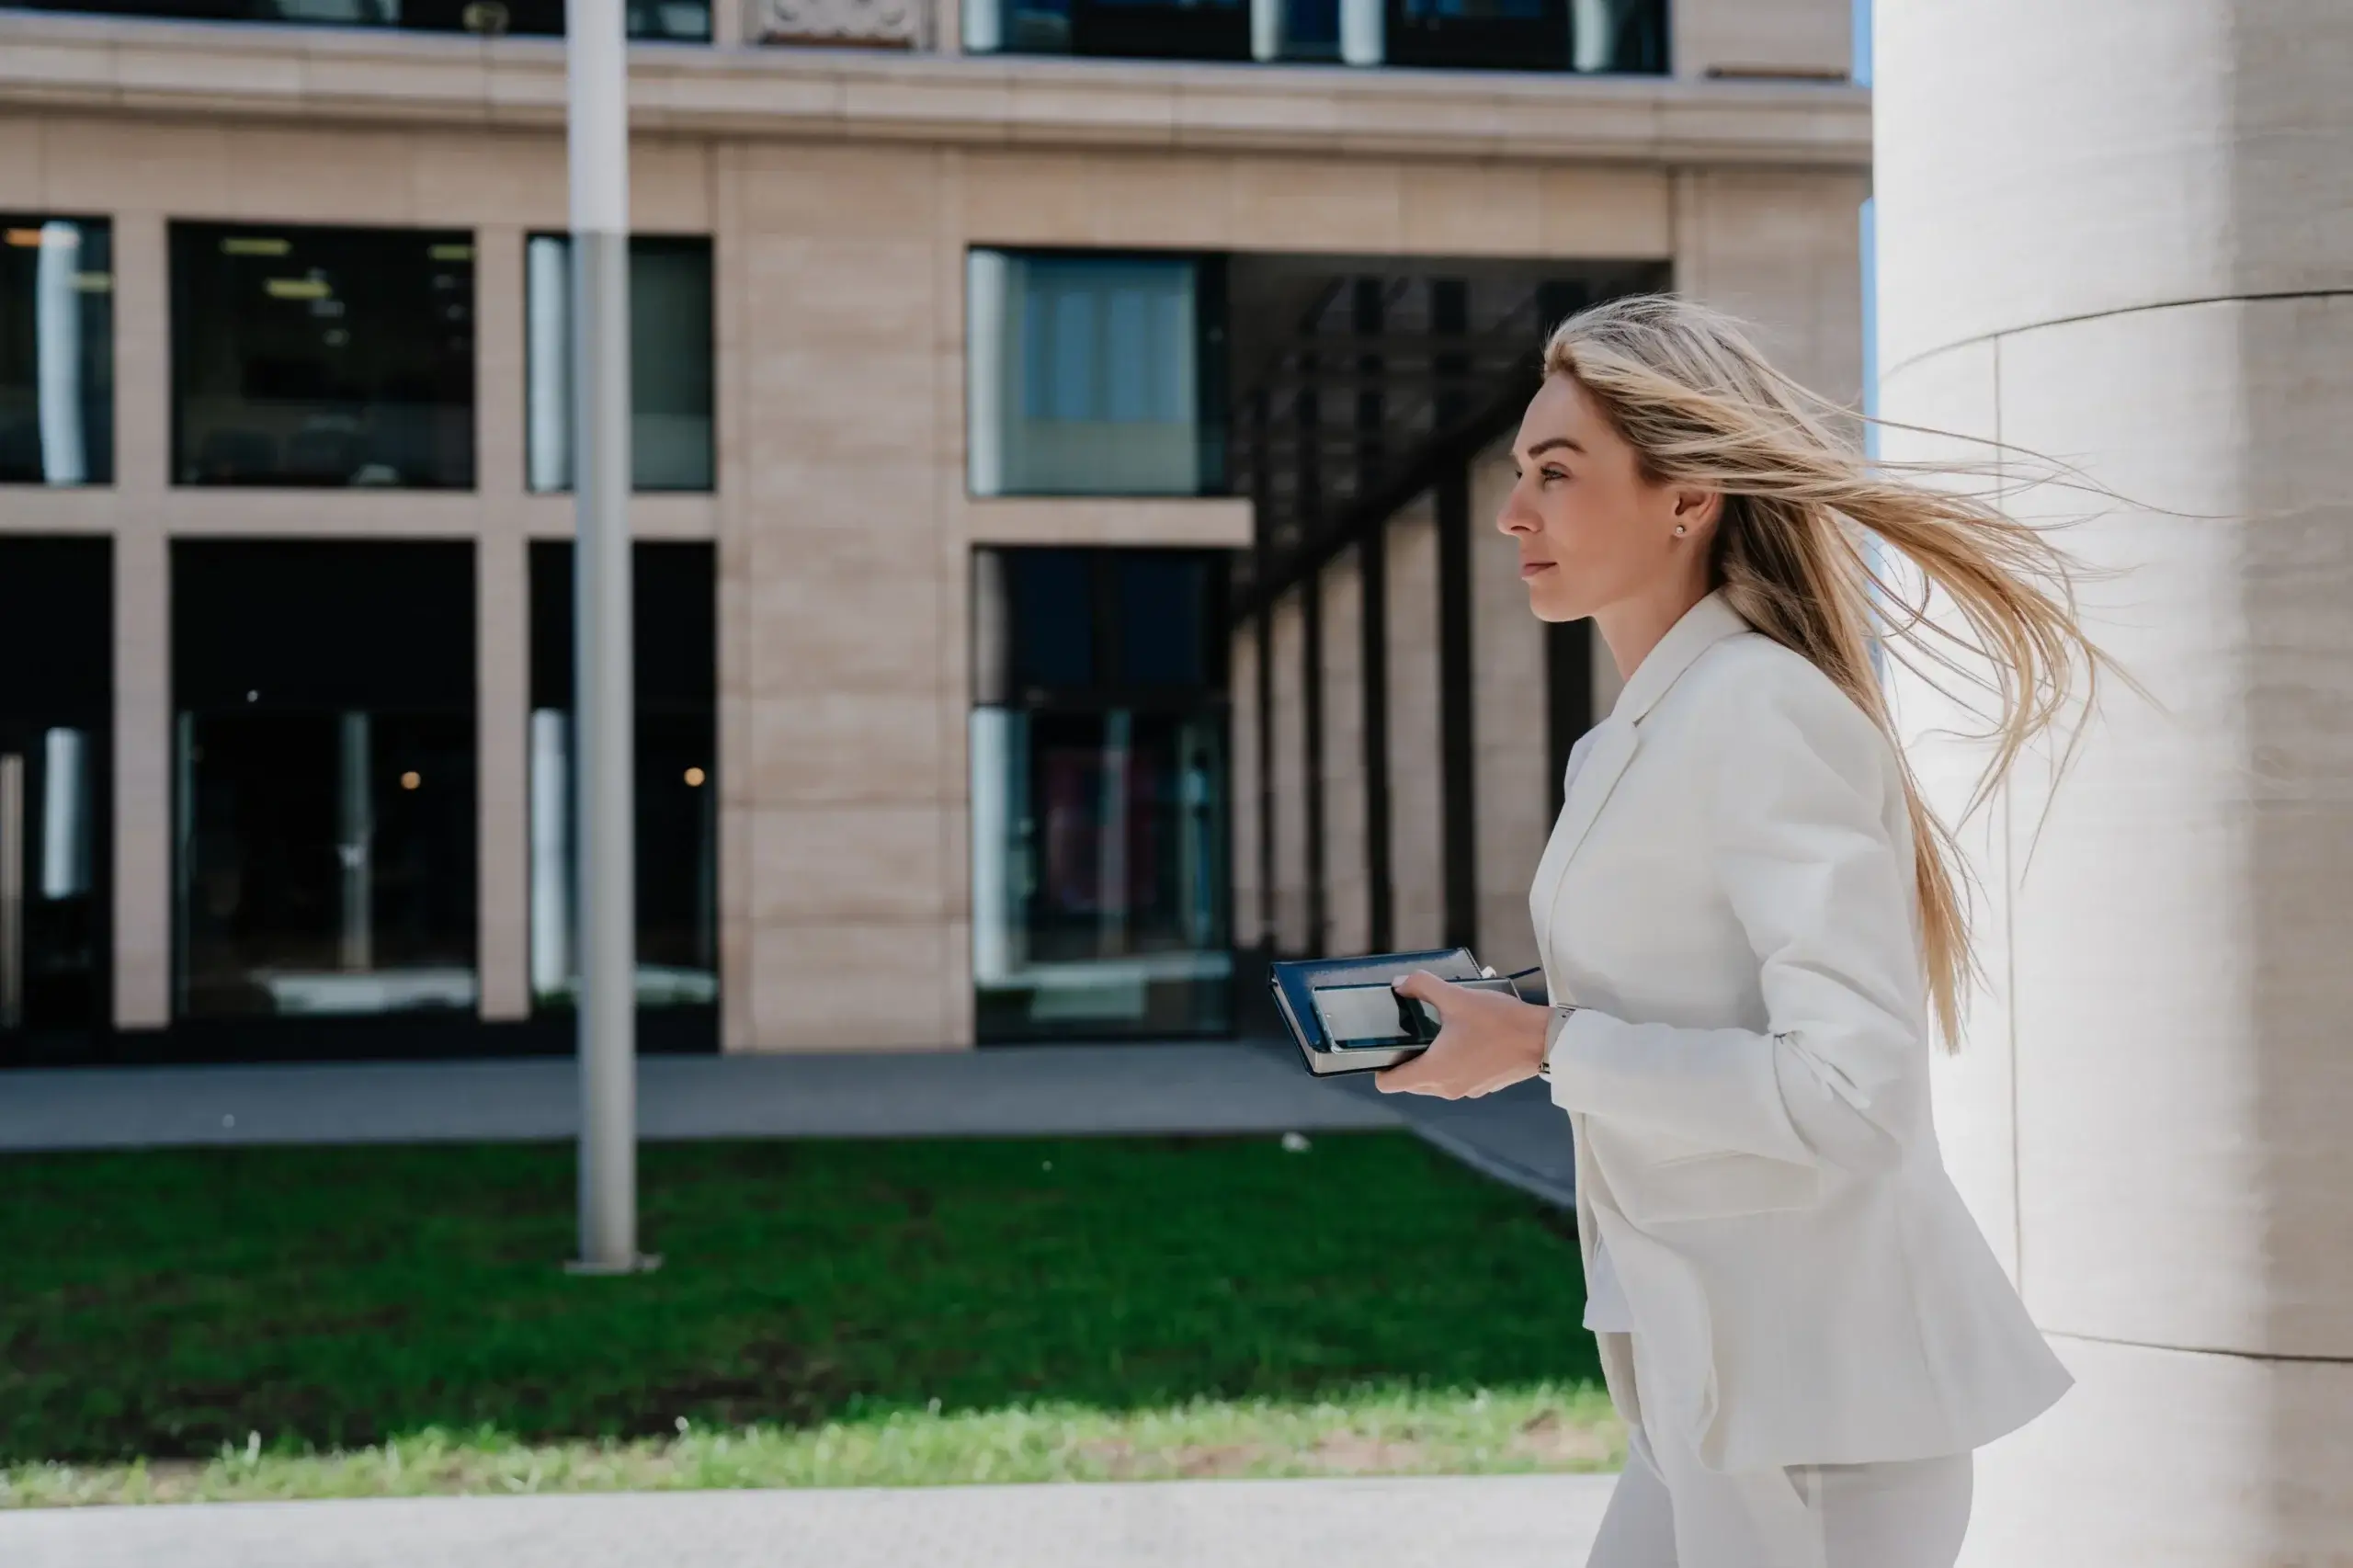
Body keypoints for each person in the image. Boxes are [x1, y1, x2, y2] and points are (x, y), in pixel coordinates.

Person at [1377, 294, 2110, 1568]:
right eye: (1518, 477)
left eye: (1558, 474)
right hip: (1714, 1384)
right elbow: (1685, 990)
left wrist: (1552, 1043)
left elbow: (1851, 1089)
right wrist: (1506, 1022)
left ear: (1687, 495)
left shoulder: (1764, 708)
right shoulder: (1633, 737)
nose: (1515, 514)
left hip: (1824, 1405)